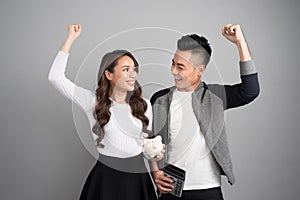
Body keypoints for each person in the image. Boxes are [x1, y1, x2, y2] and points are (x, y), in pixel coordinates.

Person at [150, 24, 260, 200]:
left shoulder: (215, 96)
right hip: (170, 190)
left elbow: (250, 90)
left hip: (207, 189)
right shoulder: (159, 99)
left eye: (180, 67)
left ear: (199, 70)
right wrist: (155, 171)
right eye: (172, 63)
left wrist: (240, 43)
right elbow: (150, 141)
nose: (173, 71)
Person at [48, 24, 158, 200]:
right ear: (108, 74)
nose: (133, 75)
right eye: (125, 69)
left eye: (134, 69)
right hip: (106, 180)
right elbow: (55, 77)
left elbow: (146, 146)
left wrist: (155, 153)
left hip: (138, 179)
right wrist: (70, 38)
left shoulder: (144, 105)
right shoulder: (92, 102)